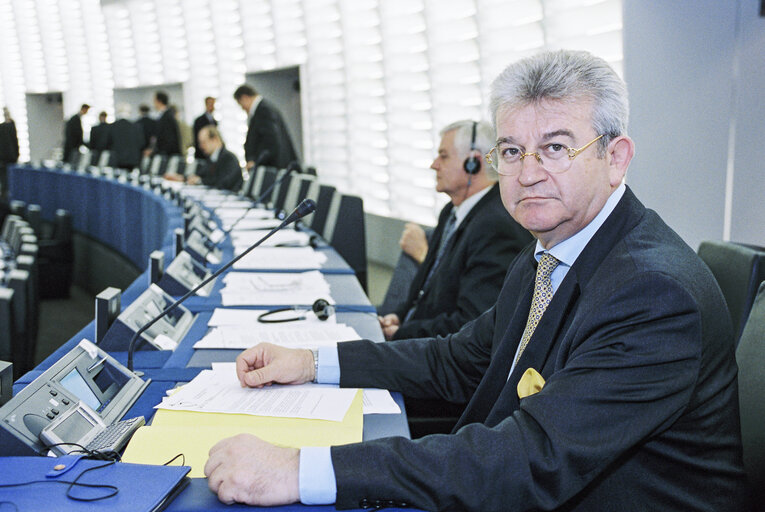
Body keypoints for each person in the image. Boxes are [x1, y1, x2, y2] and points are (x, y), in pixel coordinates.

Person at [204, 50, 747, 511]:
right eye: (512, 150)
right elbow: (456, 359)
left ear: (615, 158)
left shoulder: (653, 294)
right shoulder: (548, 252)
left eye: (556, 147)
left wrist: (299, 470)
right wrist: (310, 363)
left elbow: (531, 459)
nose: (528, 172)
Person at [379, 120, 532, 341]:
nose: (434, 165)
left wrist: (403, 333)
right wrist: (399, 317)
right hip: (420, 339)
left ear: (473, 163)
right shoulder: (451, 212)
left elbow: (471, 322)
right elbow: (426, 288)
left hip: (442, 357)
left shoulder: (494, 226)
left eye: (443, 156)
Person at [233, 84, 297, 170]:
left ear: (244, 98)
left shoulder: (264, 110)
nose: (242, 108)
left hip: (272, 167)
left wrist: (255, 161)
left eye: (241, 104)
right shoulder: (262, 109)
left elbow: (270, 141)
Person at [187, 125, 243, 191]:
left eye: (204, 142)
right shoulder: (211, 159)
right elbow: (200, 175)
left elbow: (223, 183)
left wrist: (200, 181)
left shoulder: (229, 159)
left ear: (215, 139)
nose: (201, 146)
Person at [109, 104, 144, 171]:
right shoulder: (136, 127)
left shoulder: (112, 127)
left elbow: (108, 143)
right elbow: (141, 143)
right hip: (132, 161)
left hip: (116, 161)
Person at [152, 91, 181, 156]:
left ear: (159, 101)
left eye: (154, 101)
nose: (153, 104)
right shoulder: (164, 116)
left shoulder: (167, 117)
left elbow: (169, 139)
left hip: (168, 154)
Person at [0, 107, 19, 198]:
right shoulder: (7, 127)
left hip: (7, 159)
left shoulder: (8, 127)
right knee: (7, 184)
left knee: (7, 184)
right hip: (7, 159)